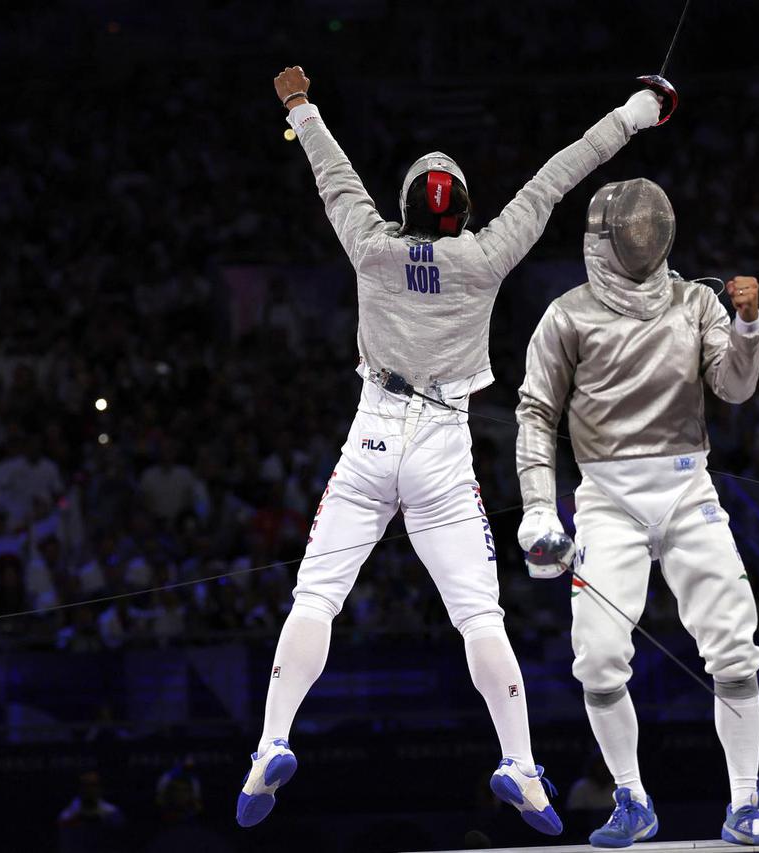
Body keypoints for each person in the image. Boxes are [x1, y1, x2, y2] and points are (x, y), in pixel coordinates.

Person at [238, 64, 666, 835]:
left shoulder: (370, 245)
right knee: (477, 614)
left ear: (403, 207)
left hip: (371, 433)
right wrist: (636, 111)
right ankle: (521, 766)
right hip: (441, 444)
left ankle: (271, 740)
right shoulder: (485, 256)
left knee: (315, 597)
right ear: (465, 210)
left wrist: (299, 103)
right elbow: (560, 171)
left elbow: (331, 171)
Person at [514, 179, 759, 846]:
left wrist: (749, 327)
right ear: (603, 238)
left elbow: (732, 386)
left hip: (685, 488)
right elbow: (535, 413)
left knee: (733, 641)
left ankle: (745, 803)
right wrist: (537, 508)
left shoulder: (696, 302)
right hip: (606, 500)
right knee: (599, 653)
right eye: (630, 229)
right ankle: (631, 799)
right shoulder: (566, 316)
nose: (641, 238)